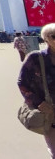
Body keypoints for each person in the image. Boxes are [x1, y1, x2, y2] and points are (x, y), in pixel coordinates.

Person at [18, 23, 55, 156]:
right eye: (54, 36)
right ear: (46, 39)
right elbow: (22, 83)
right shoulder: (35, 58)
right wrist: (38, 102)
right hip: (49, 112)